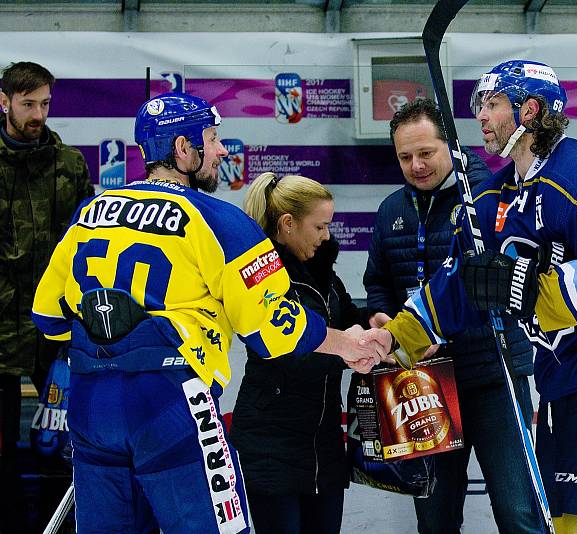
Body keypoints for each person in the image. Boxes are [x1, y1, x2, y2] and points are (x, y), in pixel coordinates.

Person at [30, 92, 384, 534]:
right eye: (212, 139)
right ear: (183, 149)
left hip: (90, 403)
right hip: (170, 401)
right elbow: (276, 329)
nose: (220, 151)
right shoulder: (222, 221)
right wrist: (347, 344)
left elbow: (47, 317)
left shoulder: (90, 214)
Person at [363, 60, 577, 534]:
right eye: (480, 107)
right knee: (559, 523)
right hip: (563, 376)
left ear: (529, 110)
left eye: (492, 105)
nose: (482, 117)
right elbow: (456, 283)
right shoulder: (495, 195)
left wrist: (525, 290)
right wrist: (393, 340)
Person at [364, 98, 538, 534]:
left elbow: (506, 284)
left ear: (452, 146)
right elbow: (378, 281)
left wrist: (439, 325)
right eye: (406, 157)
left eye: (427, 153)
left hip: (494, 376)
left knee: (518, 510)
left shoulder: (492, 196)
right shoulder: (391, 210)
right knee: (434, 516)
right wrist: (383, 317)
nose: (417, 166)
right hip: (421, 383)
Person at [230, 173, 366, 534]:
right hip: (271, 446)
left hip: (322, 445)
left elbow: (349, 317)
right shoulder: (261, 278)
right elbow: (293, 353)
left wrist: (381, 329)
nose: (327, 236)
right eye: (320, 226)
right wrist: (350, 349)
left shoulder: (322, 271)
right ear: (288, 225)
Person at [0, 61, 94, 533]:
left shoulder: (69, 164)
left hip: (53, 328)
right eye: (28, 104)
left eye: (45, 104)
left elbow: (91, 248)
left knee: (66, 442)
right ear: (5, 103)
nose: (38, 114)